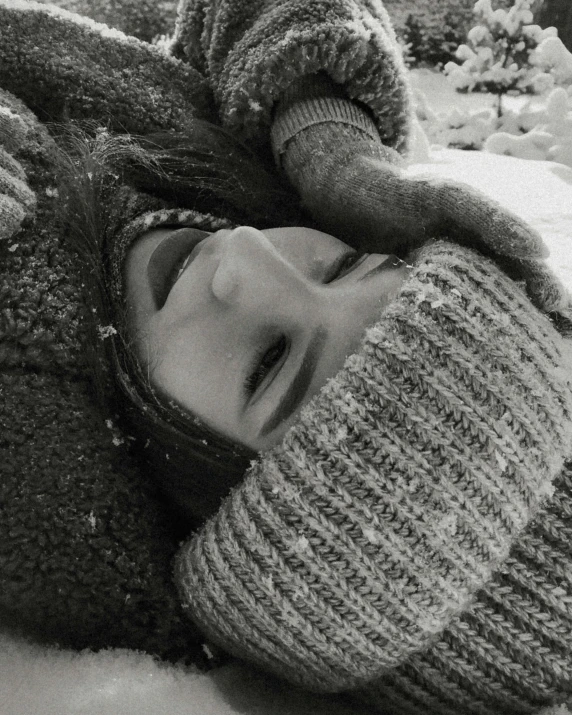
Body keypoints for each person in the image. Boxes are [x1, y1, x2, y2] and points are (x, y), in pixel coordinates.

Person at [1, 1, 572, 713]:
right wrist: (326, 141)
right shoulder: (257, 189)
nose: (247, 250)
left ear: (209, 500)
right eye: (342, 265)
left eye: (269, 363)